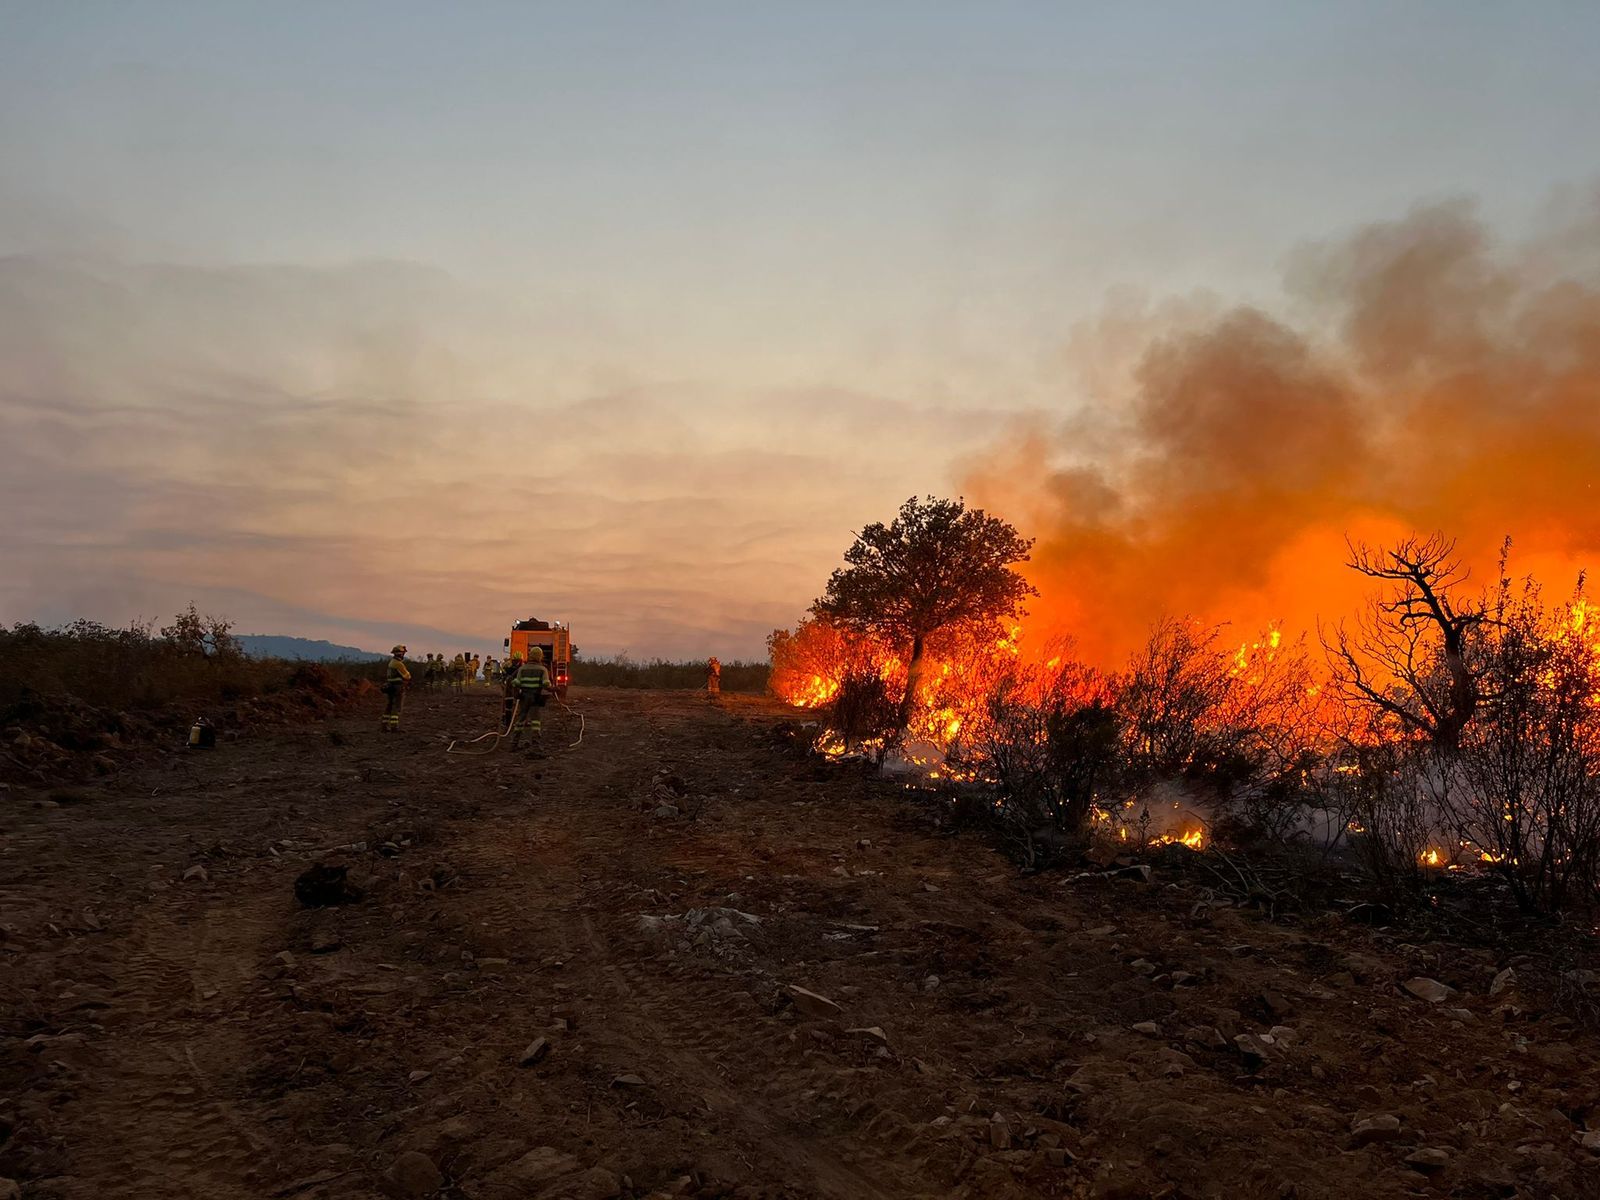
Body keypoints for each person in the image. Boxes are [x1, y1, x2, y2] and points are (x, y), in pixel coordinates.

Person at [509, 646, 554, 749]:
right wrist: (554, 689)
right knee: (536, 721)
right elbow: (546, 684)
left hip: (524, 697)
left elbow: (516, 682)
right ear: (540, 656)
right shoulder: (543, 669)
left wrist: (512, 685)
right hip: (536, 698)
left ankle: (514, 743)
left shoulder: (522, 669)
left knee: (520, 720)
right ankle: (535, 743)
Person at [381, 645, 411, 732]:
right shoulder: (398, 664)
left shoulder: (391, 662)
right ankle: (394, 727)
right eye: (403, 653)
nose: (403, 655)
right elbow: (407, 675)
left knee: (389, 706)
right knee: (396, 707)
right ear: (400, 654)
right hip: (398, 686)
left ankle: (384, 725)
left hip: (390, 686)